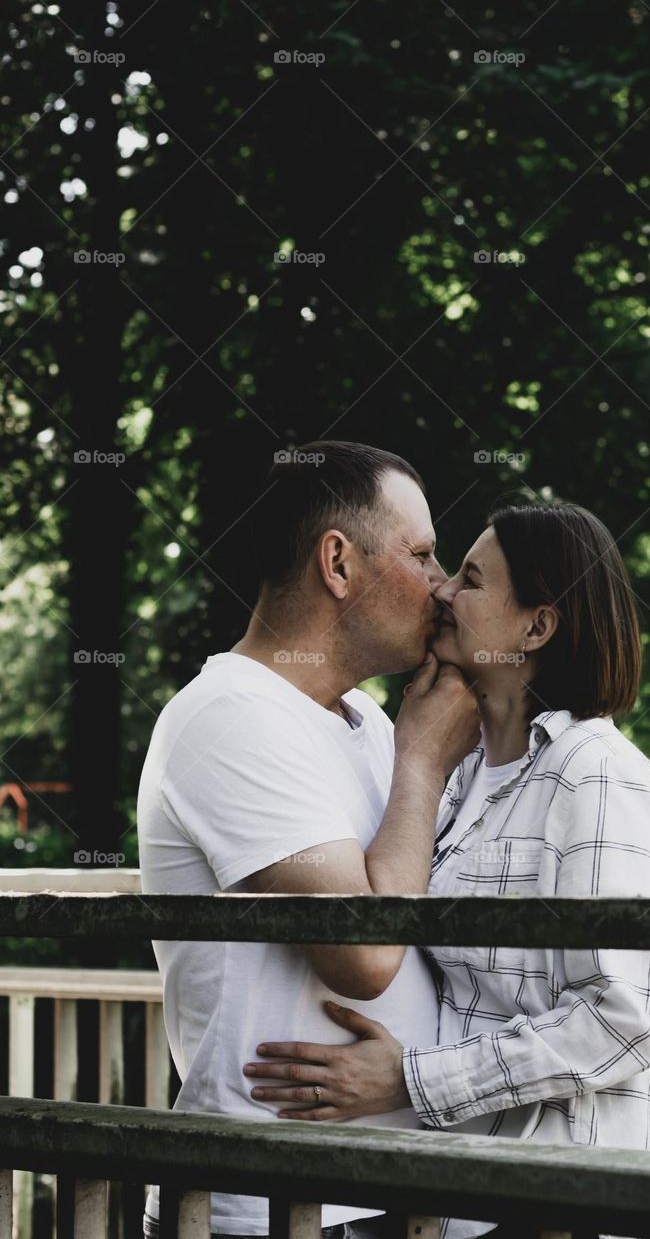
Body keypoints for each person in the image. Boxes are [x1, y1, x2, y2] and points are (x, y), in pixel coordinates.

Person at [243, 501, 650, 1239]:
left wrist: (410, 1079)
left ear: (536, 627)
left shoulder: (594, 773)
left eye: (471, 579)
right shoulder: (458, 780)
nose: (442, 592)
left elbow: (626, 1021)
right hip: (454, 1194)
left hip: (560, 1199)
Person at [137, 441, 480, 1239]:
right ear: (338, 562)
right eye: (422, 554)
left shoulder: (363, 723)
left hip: (385, 1189)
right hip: (267, 1204)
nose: (441, 584)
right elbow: (361, 955)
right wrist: (424, 760)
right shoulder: (230, 714)